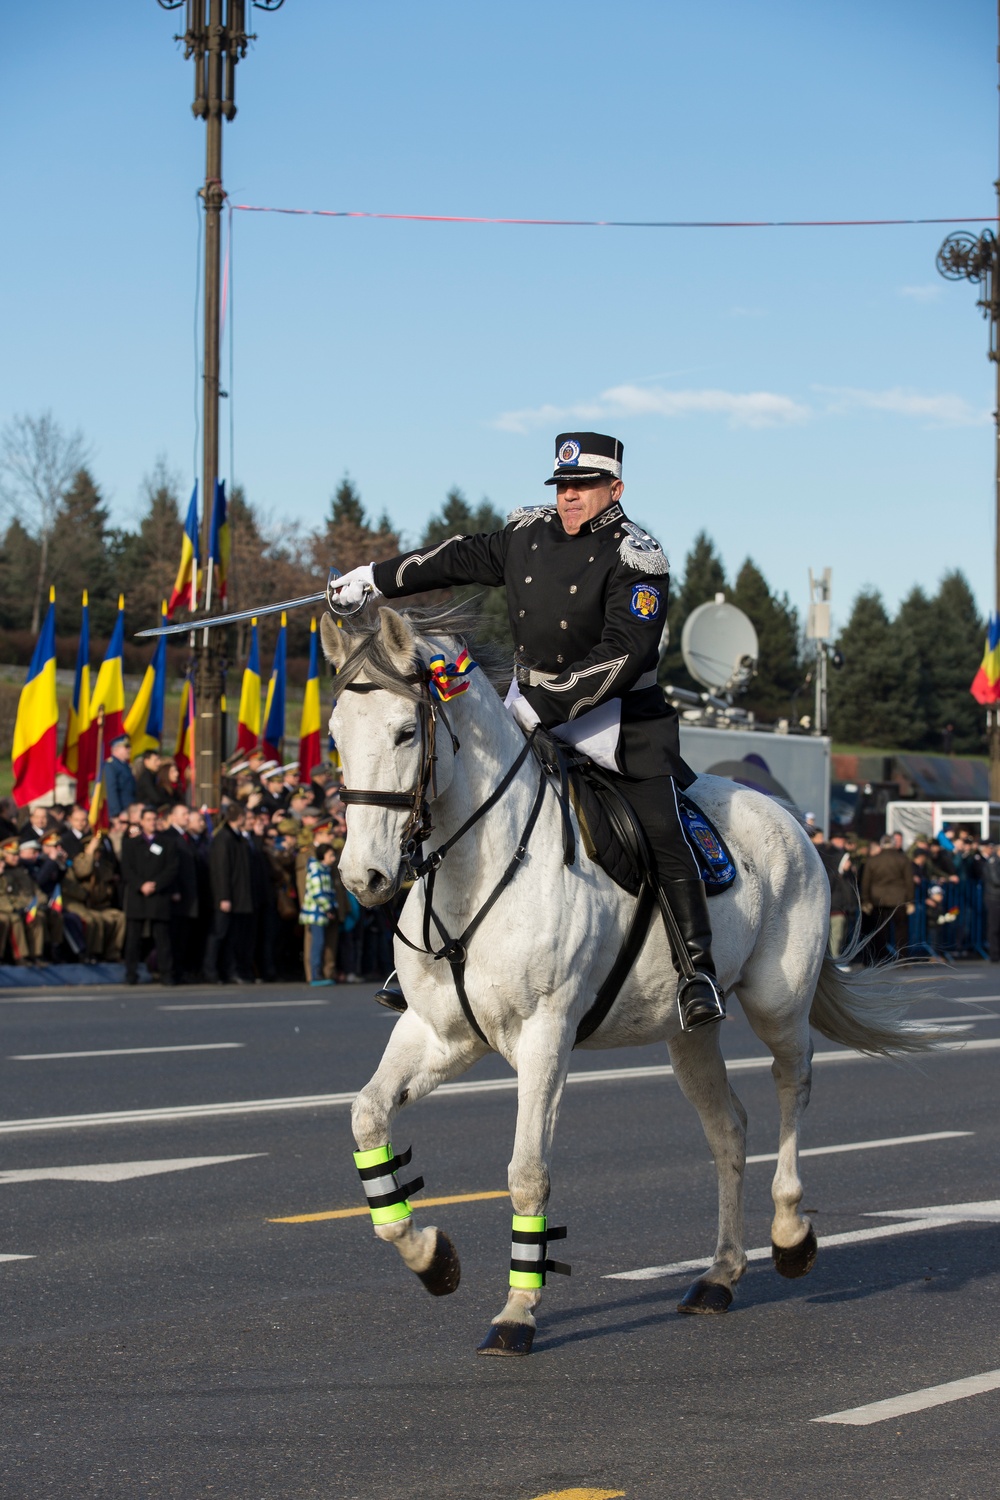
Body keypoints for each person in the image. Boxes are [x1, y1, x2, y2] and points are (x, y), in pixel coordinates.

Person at [330, 430, 723, 1028]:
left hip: (612, 715)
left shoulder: (638, 556)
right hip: (528, 698)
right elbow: (454, 558)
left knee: (659, 825)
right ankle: (422, 948)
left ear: (614, 489)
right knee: (453, 796)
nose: (569, 497)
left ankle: (696, 970)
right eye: (563, 485)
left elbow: (627, 653)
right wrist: (374, 578)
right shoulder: (525, 533)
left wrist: (550, 702)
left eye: (583, 486)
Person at [119, 805, 179, 984]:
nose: (152, 823)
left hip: (158, 895)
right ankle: (131, 973)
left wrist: (156, 884)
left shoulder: (167, 842)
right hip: (138, 895)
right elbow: (126, 868)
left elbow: (172, 867)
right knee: (133, 938)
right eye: (148, 820)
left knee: (162, 938)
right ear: (141, 822)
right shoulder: (131, 843)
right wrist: (140, 885)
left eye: (155, 819)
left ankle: (166, 973)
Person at [205, 803, 255, 982]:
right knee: (218, 935)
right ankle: (210, 971)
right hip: (227, 897)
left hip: (238, 897)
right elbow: (220, 870)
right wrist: (223, 896)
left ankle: (230, 970)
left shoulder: (237, 838)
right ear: (240, 818)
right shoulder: (224, 838)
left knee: (233, 937)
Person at [70, 823, 125, 963]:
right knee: (95, 920)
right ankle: (93, 952)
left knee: (120, 918)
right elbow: (83, 871)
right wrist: (89, 853)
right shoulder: (80, 861)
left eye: (99, 851)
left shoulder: (104, 866)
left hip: (101, 904)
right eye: (95, 851)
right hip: (86, 904)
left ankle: (112, 952)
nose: (97, 854)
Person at [860, 834, 914, 964]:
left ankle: (880, 958)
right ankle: (902, 959)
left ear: (881, 844)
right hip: (899, 899)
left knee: (879, 930)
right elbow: (909, 882)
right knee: (901, 930)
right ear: (894, 844)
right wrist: (910, 901)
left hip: (877, 899)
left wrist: (865, 900)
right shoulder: (903, 859)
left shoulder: (872, 861)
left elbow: (865, 882)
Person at [161, 802, 198, 983]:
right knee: (173, 936)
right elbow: (169, 866)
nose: (187, 817)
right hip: (176, 895)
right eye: (183, 814)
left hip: (189, 894)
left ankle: (182, 969)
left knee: (185, 936)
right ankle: (172, 971)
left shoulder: (188, 837)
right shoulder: (168, 836)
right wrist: (174, 889)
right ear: (173, 817)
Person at [299, 842, 338, 985]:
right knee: (318, 943)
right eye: (331, 855)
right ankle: (315, 975)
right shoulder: (316, 869)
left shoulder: (324, 869)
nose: (333, 858)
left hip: (321, 913)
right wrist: (329, 908)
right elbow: (317, 892)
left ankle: (318, 973)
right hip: (315, 913)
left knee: (321, 943)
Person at [103, 735, 137, 819]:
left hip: (129, 810)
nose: (129, 750)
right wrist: (116, 813)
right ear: (116, 748)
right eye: (126, 747)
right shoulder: (110, 766)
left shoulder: (126, 766)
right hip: (121, 812)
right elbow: (111, 790)